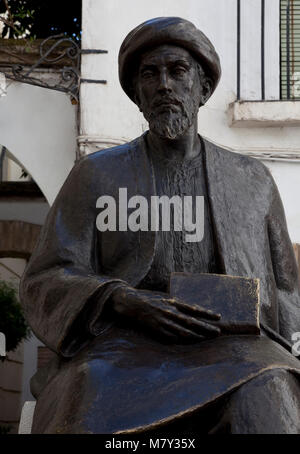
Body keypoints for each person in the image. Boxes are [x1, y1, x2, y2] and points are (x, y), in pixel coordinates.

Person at [20, 17, 300, 434]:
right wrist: (119, 300)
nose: (165, 84)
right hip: (120, 348)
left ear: (203, 88)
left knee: (271, 389)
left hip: (234, 348)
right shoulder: (96, 175)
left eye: (178, 71)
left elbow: (286, 290)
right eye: (150, 74)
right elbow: (46, 276)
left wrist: (265, 322)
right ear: (137, 94)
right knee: (86, 390)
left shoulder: (251, 179)